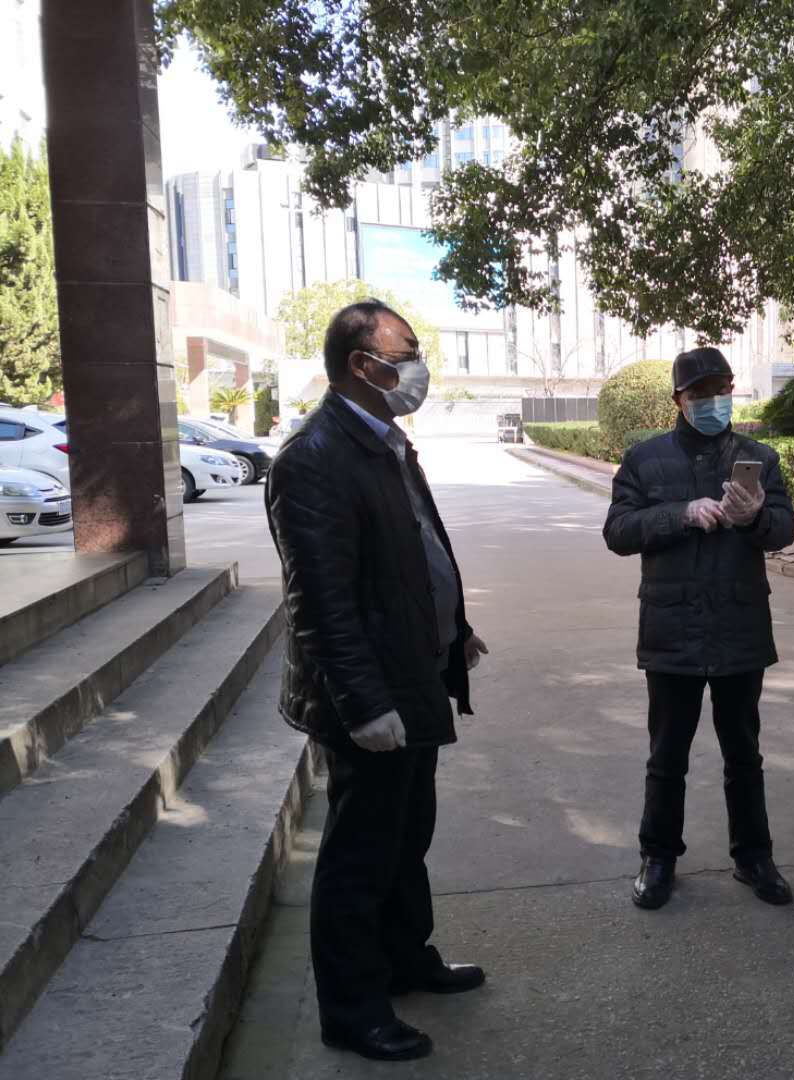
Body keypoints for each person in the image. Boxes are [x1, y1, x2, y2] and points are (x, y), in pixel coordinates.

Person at [265, 300, 489, 1062]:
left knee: (406, 837)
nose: (419, 367)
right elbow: (321, 602)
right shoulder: (313, 458)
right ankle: (354, 1010)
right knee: (360, 856)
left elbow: (413, 550)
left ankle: (405, 959)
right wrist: (364, 706)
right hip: (371, 697)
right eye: (407, 352)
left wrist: (452, 630)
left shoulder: (386, 441)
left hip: (414, 673)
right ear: (363, 365)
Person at [603, 346, 794, 911]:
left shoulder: (758, 458)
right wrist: (681, 514)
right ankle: (658, 857)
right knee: (667, 756)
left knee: (744, 754)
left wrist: (755, 517)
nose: (715, 401)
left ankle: (754, 857)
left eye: (722, 390)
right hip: (672, 630)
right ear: (679, 400)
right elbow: (618, 531)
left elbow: (785, 527)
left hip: (740, 626)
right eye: (701, 393)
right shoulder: (644, 459)